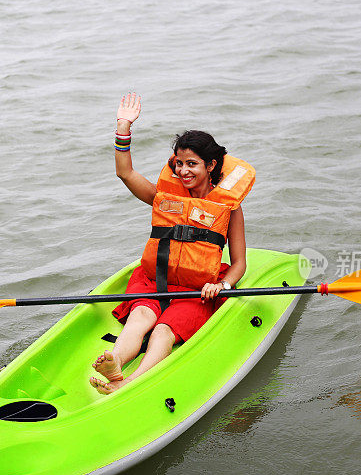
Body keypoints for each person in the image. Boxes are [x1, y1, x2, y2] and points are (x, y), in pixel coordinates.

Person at [89, 93, 255, 395]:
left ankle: (130, 381)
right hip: (156, 280)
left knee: (164, 331)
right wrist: (123, 127)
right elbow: (124, 172)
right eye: (178, 163)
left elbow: (240, 263)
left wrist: (224, 286)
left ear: (211, 165)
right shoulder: (163, 198)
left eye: (192, 164)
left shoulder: (230, 209)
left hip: (197, 290)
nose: (183, 171)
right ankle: (115, 361)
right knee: (140, 317)